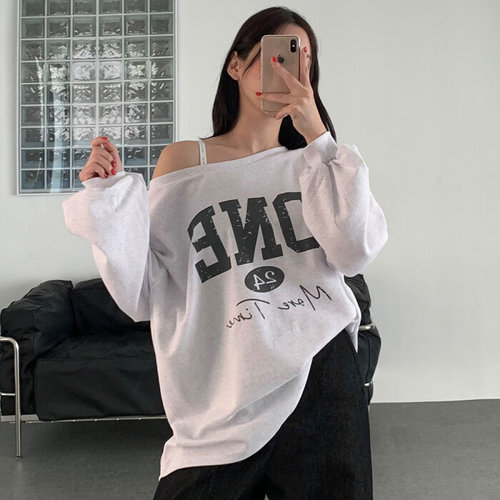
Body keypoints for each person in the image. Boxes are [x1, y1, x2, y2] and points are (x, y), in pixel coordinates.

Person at [62, 6, 388, 500]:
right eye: (278, 55)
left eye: (303, 61)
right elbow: (145, 291)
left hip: (320, 371)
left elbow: (353, 251)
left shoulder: (317, 164)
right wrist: (108, 201)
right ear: (236, 65)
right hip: (220, 390)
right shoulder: (185, 161)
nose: (290, 71)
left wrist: (319, 137)